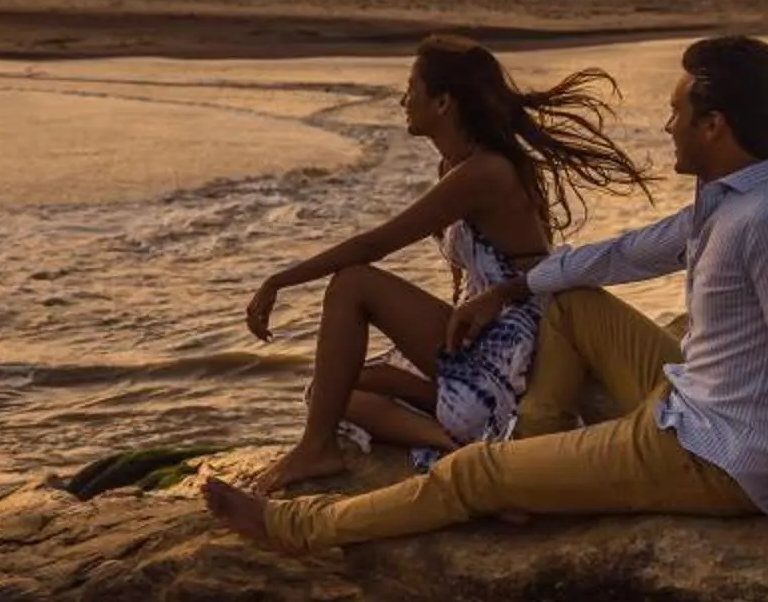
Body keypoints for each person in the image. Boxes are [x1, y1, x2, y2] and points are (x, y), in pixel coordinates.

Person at [205, 35, 768, 602]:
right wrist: (512, 288)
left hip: (715, 458)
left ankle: (297, 526)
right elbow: (625, 253)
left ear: (715, 126)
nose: (668, 123)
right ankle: (535, 450)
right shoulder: (728, 203)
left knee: (472, 476)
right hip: (694, 399)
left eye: (679, 111)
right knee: (572, 300)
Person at [239, 33, 650, 493]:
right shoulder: (459, 167)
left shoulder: (485, 172)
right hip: (485, 327)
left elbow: (376, 245)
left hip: (513, 337)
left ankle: (316, 451)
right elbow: (467, 278)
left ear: (443, 103)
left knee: (353, 284)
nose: (402, 100)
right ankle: (445, 439)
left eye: (411, 88)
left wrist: (280, 279)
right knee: (328, 391)